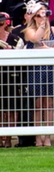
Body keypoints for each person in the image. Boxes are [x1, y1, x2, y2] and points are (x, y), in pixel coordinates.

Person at [23, 1, 54, 147]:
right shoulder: (29, 30)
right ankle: (38, 137)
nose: (43, 16)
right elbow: (34, 39)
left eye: (45, 13)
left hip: (51, 68)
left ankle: (48, 136)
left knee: (49, 103)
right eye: (40, 14)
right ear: (34, 16)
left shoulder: (53, 29)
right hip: (36, 69)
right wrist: (41, 24)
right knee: (38, 103)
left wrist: (49, 50)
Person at [0, 13, 23, 148]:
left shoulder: (15, 39)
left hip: (11, 77)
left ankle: (8, 139)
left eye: (2, 24)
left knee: (11, 109)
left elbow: (20, 59)